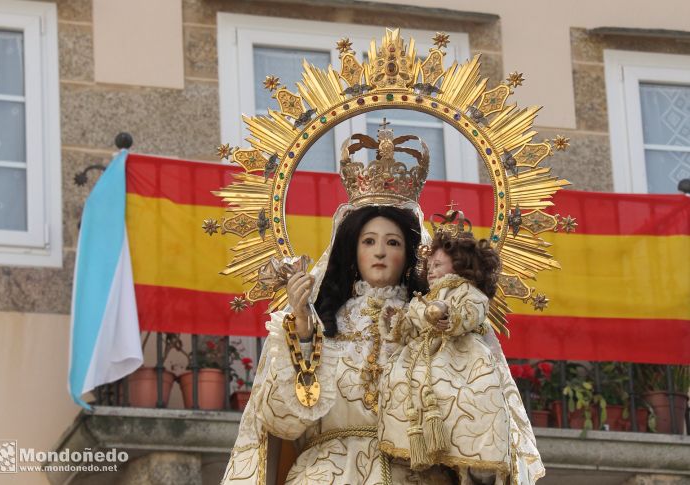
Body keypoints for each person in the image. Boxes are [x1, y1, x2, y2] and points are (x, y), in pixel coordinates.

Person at [221, 126, 544, 484]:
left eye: (392, 242)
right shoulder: (319, 324)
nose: (379, 251)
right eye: (369, 241)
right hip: (329, 474)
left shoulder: (431, 322)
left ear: (409, 255)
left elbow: (474, 406)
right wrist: (301, 332)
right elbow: (282, 419)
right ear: (352, 250)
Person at [378, 218, 513, 484]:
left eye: (437, 265)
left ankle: (474, 465)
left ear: (460, 265)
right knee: (402, 385)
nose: (430, 271)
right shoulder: (422, 300)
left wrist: (450, 317)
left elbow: (471, 313)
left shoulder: (468, 293)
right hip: (421, 358)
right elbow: (410, 328)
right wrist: (397, 321)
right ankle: (414, 447)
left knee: (470, 399)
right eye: (428, 266)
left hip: (460, 358)